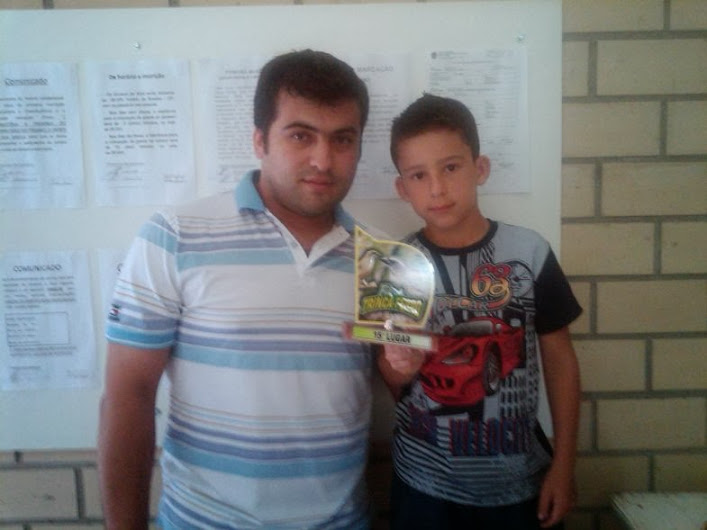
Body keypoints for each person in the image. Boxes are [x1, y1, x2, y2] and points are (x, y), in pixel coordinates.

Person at [98, 49, 374, 529]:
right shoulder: (175, 236)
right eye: (300, 135)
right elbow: (129, 395)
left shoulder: (379, 260)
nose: (323, 160)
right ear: (259, 140)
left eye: (343, 139)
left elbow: (400, 384)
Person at [377, 94, 582, 530]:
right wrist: (399, 364)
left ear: (480, 168)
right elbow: (391, 373)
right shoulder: (397, 264)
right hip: (423, 485)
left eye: (450, 167)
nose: (437, 188)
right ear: (403, 188)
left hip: (520, 483)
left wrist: (565, 465)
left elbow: (560, 359)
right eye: (419, 175)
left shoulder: (529, 252)